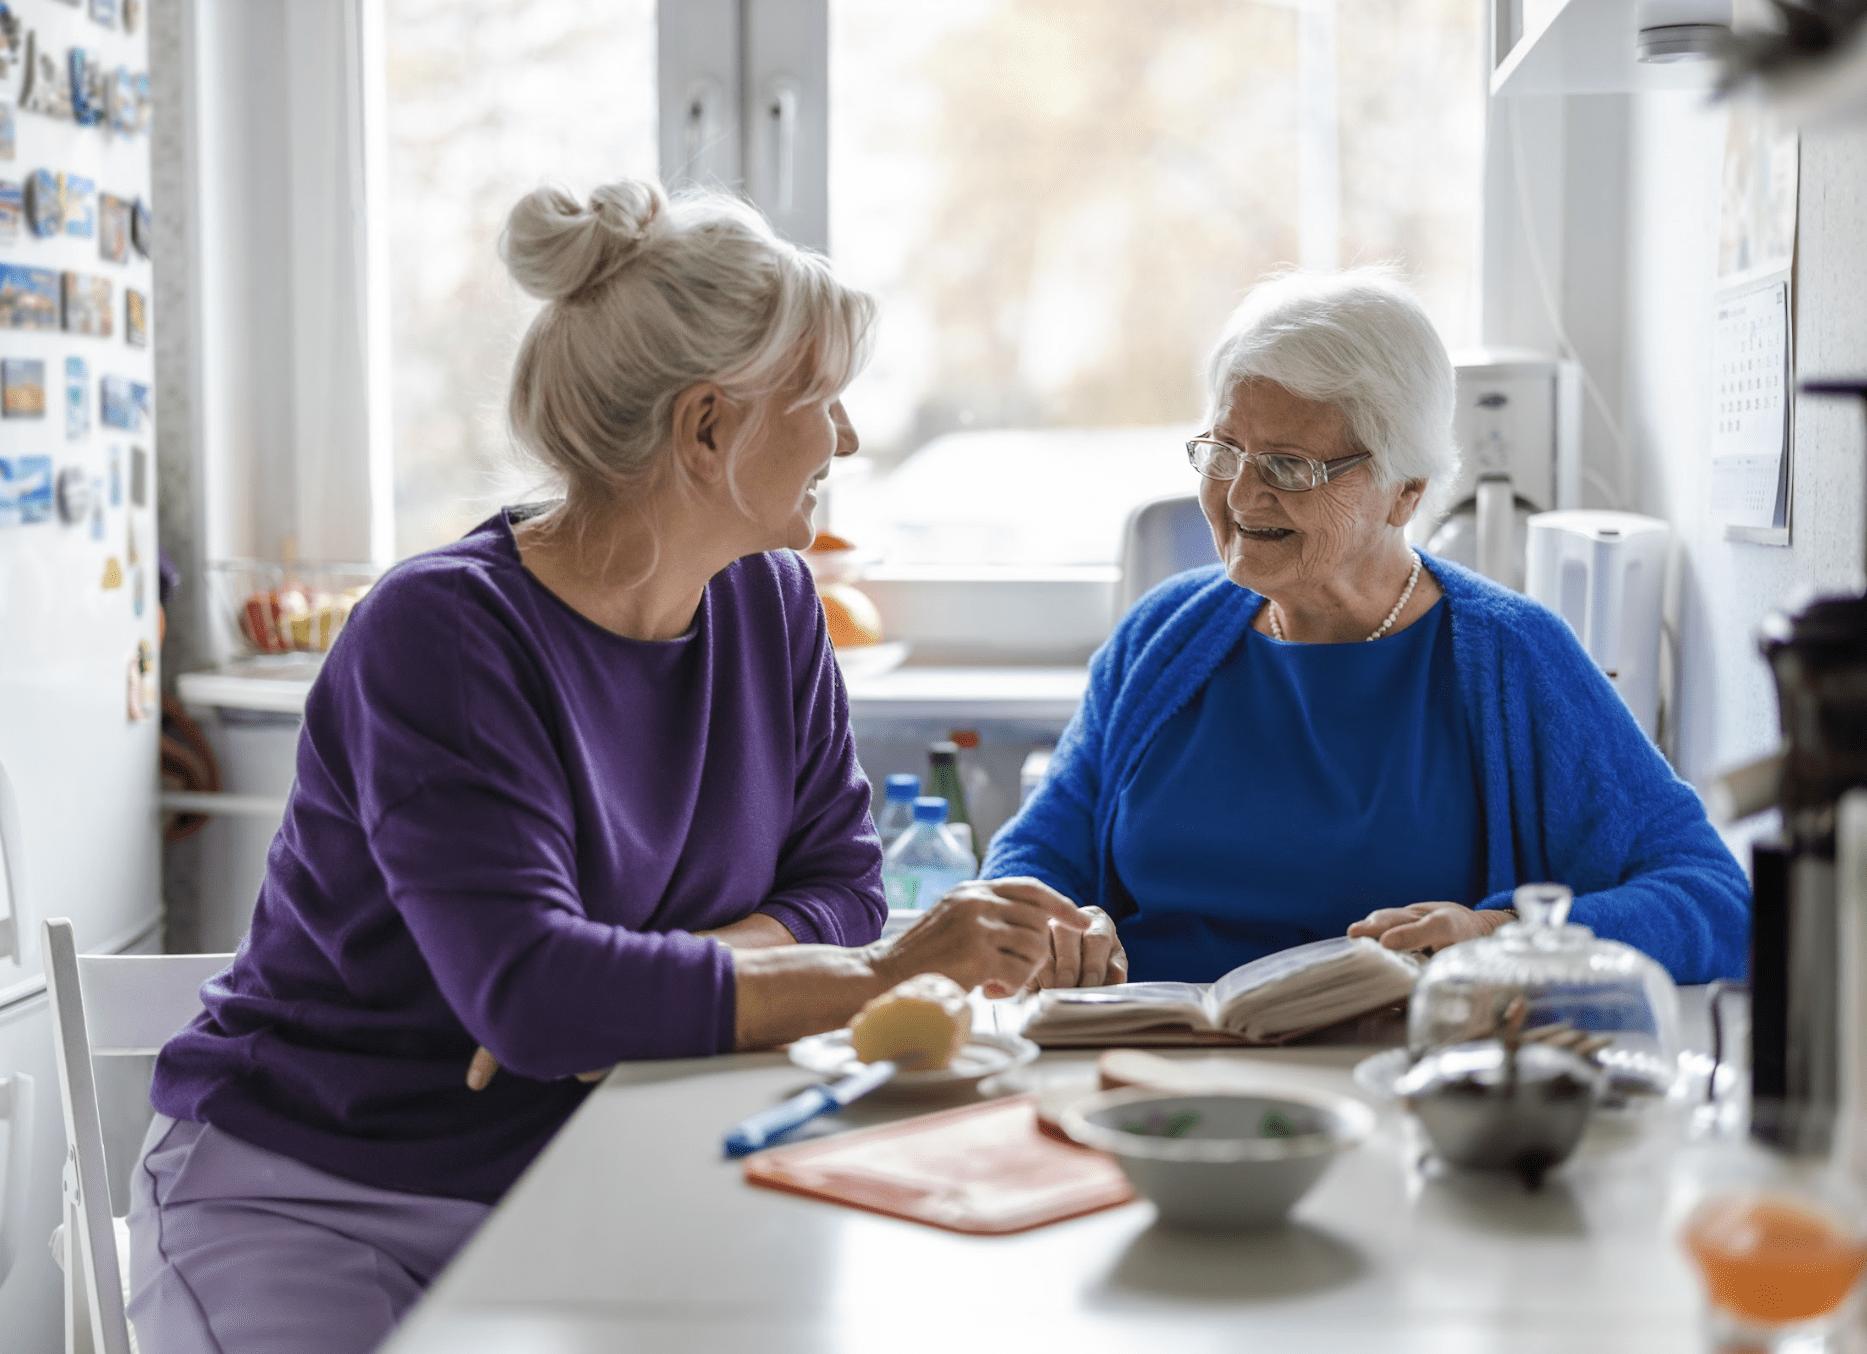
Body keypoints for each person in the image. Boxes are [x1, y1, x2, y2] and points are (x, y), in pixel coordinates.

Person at [127, 179, 1086, 1353]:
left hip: (582, 1175)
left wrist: (618, 990)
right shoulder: (442, 634)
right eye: (821, 399)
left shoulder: (774, 604)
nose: (844, 438)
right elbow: (540, 1000)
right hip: (316, 1190)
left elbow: (837, 886)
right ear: (706, 429)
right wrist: (880, 973)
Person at [986, 267, 1748, 990]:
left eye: (1288, 466)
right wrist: (1057, 923)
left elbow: (1716, 902)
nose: (1241, 494)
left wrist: (1502, 938)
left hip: (1393, 1088)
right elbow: (1033, 854)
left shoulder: (1512, 656)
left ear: (1402, 493)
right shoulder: (1163, 634)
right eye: (1224, 452)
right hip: (1145, 1066)